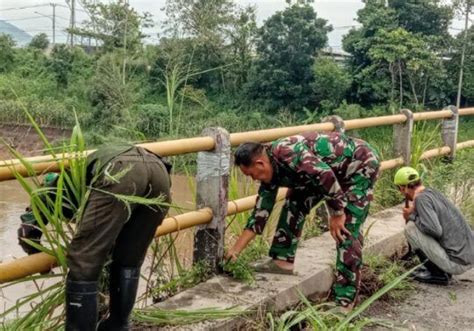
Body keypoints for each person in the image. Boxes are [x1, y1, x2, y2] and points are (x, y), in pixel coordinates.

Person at [18, 144, 172, 331]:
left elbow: (27, 232)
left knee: (84, 261)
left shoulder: (48, 192)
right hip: (158, 169)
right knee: (129, 259)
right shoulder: (77, 178)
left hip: (121, 171)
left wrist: (36, 255)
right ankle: (118, 325)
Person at [225, 131, 380, 310]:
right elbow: (260, 213)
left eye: (252, 175)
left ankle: (345, 302)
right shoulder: (269, 170)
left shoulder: (288, 153)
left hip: (358, 167)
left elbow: (325, 176)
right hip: (326, 174)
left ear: (260, 163)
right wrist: (235, 251)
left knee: (346, 229)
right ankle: (282, 261)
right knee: (294, 204)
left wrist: (337, 212)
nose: (253, 179)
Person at [394, 166, 474, 285]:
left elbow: (434, 230)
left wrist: (411, 216)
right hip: (467, 256)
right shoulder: (431, 192)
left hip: (457, 263)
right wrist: (415, 211)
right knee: (417, 225)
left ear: (402, 188)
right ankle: (440, 269)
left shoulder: (421, 199)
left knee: (411, 228)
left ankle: (438, 274)